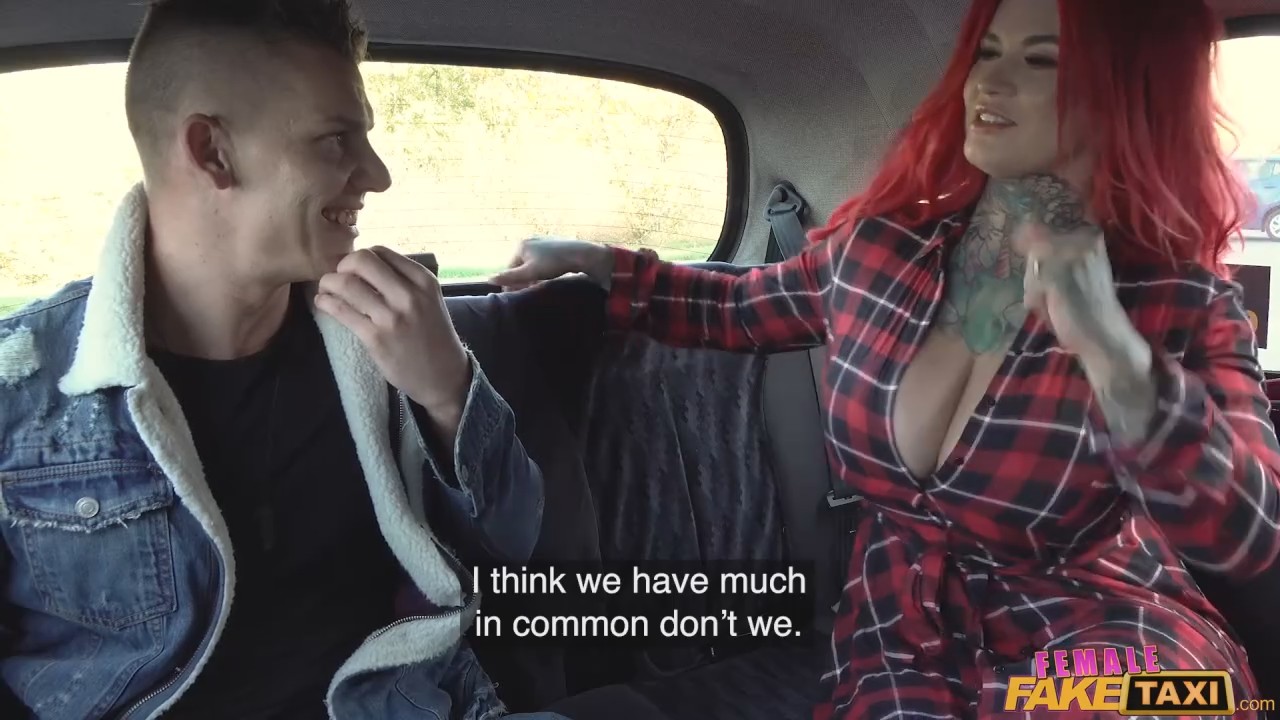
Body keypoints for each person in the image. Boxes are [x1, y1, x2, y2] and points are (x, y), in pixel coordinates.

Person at [493, 0, 1280, 717]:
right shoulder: (878, 249)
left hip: (1107, 629)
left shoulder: (1183, 304)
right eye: (987, 51)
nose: (991, 80)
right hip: (905, 628)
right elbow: (734, 305)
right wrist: (597, 263)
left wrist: (1114, 352)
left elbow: (1247, 532)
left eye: (1041, 60)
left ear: (1129, 93)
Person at [0, 1, 566, 718]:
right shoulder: (23, 392)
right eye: (335, 140)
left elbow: (510, 545)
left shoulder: (385, 335)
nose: (378, 175)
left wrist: (449, 392)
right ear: (212, 152)